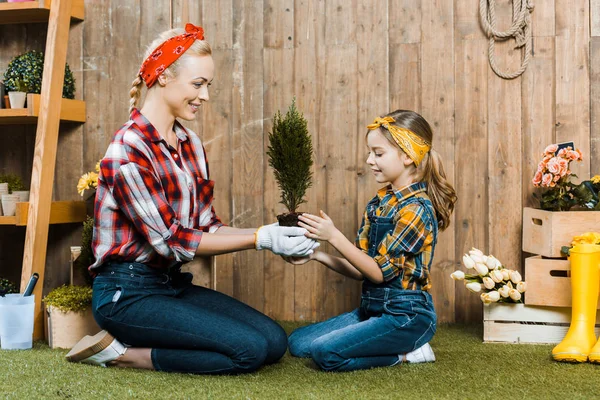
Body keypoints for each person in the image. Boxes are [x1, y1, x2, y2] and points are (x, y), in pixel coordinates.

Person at [65, 24, 318, 374]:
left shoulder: (190, 145)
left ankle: (147, 341)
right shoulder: (126, 151)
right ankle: (121, 354)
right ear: (164, 77)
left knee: (273, 342)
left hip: (170, 284)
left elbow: (206, 227)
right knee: (249, 351)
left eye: (207, 86)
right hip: (127, 295)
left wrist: (273, 236)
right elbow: (171, 241)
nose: (205, 96)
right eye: (198, 84)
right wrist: (262, 239)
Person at [286, 110, 457, 372]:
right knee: (298, 343)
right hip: (373, 310)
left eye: (378, 154)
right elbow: (361, 268)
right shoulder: (378, 203)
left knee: (324, 353)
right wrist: (316, 255)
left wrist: (333, 236)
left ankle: (410, 354)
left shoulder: (417, 210)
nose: (369, 160)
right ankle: (379, 338)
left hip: (406, 316)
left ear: (408, 156)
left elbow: (378, 275)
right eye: (370, 153)